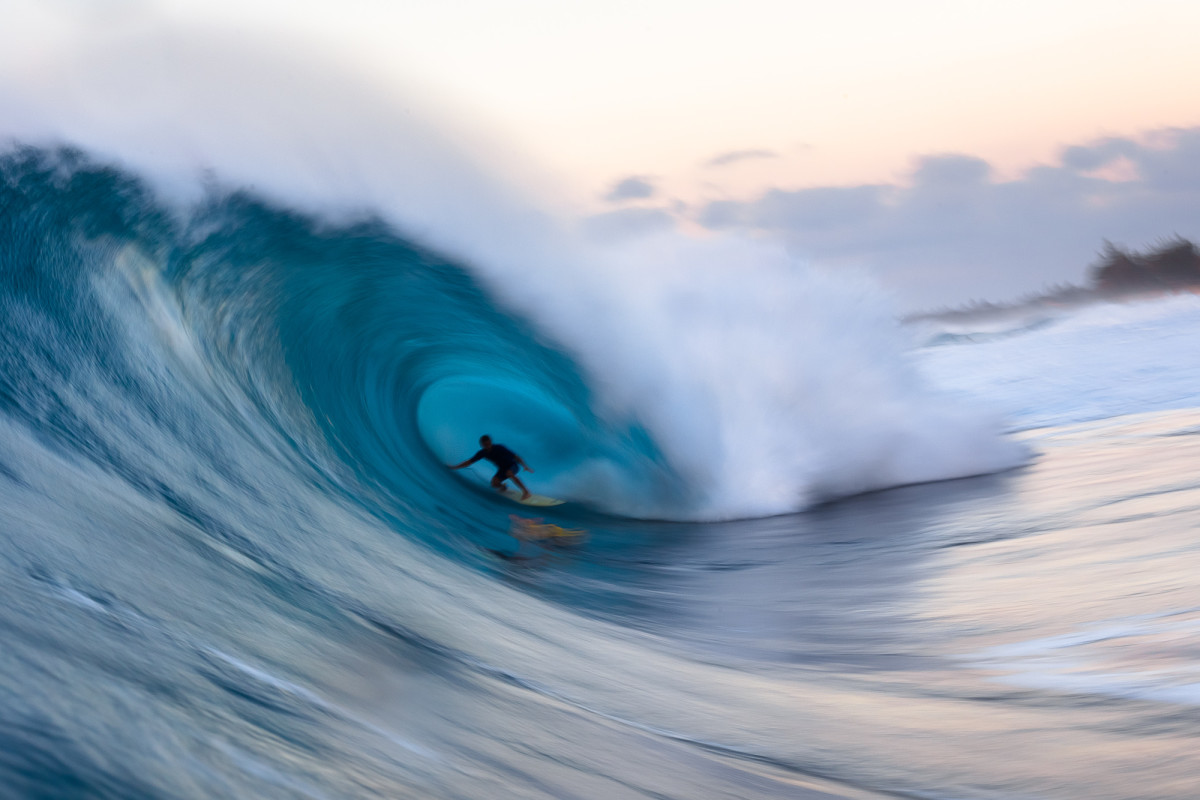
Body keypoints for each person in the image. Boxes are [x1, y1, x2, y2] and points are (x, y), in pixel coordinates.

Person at [449, 435, 533, 499]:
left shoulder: (499, 447)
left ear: (491, 442)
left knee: (509, 473)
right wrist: (455, 467)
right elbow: (469, 462)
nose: (487, 446)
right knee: (494, 484)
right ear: (482, 445)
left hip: (512, 465)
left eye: (488, 444)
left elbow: (515, 456)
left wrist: (525, 466)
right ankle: (503, 487)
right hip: (502, 469)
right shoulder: (482, 453)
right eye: (485, 445)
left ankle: (526, 492)